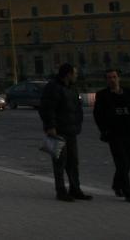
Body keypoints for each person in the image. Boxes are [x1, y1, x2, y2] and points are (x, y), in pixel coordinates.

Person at [40, 63, 91, 202]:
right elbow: (46, 108)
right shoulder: (53, 87)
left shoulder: (72, 88)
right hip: (57, 131)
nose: (76, 75)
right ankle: (61, 191)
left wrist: (78, 123)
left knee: (73, 162)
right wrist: (50, 127)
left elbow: (77, 107)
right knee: (59, 163)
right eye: (75, 73)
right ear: (68, 74)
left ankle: (75, 189)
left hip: (71, 130)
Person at [93, 68, 130, 203]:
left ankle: (116, 184)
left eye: (114, 77)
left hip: (129, 133)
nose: (112, 80)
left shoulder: (128, 93)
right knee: (121, 162)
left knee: (127, 163)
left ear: (118, 78)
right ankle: (128, 193)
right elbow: (98, 115)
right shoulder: (102, 95)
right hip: (114, 134)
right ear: (106, 80)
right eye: (109, 77)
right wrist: (104, 130)